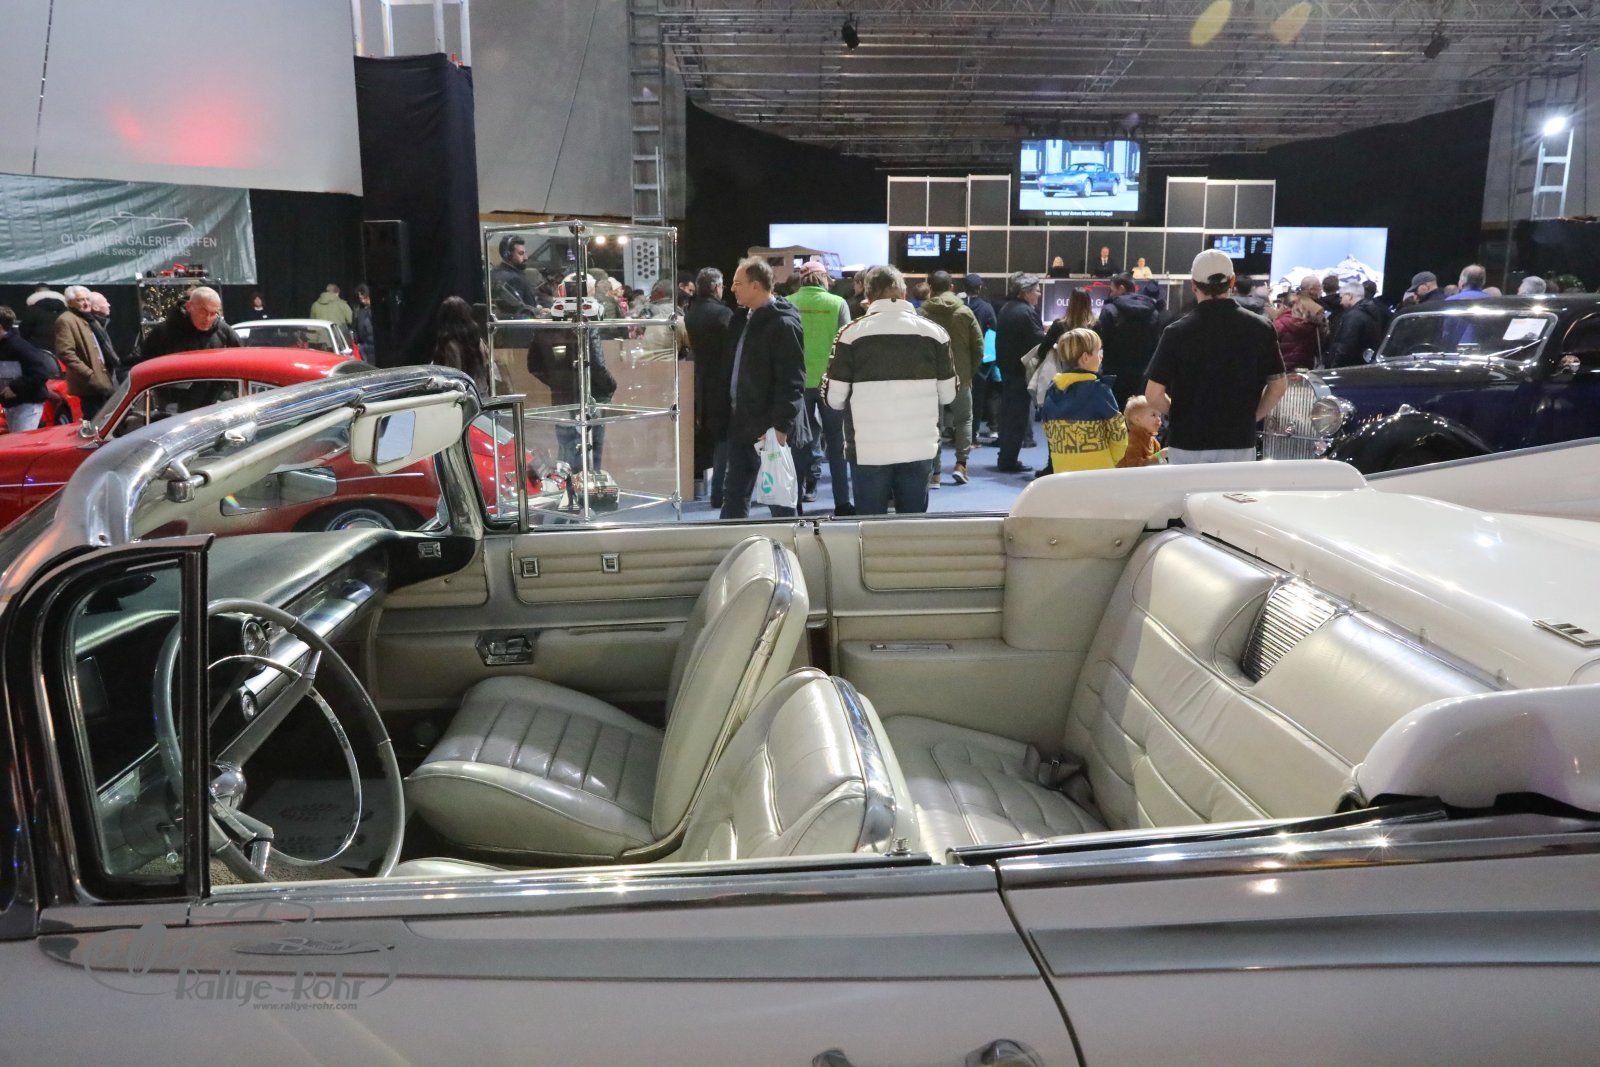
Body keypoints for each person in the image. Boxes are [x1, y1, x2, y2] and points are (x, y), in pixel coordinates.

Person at [825, 265, 956, 515]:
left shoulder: (850, 335)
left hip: (868, 450)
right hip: (919, 447)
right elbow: (948, 394)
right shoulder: (935, 334)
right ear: (904, 293)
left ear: (868, 296)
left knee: (869, 526)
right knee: (912, 525)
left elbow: (835, 399)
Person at [1144, 249, 1287, 465]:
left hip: (1187, 441)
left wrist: (1181, 415)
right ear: (1232, 281)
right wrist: (1250, 418)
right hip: (1239, 440)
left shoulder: (1176, 332)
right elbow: (1278, 386)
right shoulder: (1261, 327)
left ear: (1193, 285)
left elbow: (1153, 393)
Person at [720, 256, 809, 520]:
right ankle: (729, 542)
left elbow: (793, 380)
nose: (732, 289)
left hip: (770, 428)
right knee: (734, 495)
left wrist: (780, 427)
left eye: (737, 283)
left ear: (756, 286)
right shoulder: (742, 320)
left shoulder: (783, 323)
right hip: (742, 422)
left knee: (781, 501)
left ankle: (791, 543)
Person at [789, 260, 852, 510]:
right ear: (824, 278)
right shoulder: (838, 303)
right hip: (832, 384)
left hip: (799, 384)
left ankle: (795, 502)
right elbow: (847, 344)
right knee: (837, 444)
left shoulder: (789, 302)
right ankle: (842, 502)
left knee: (799, 443)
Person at [918, 270, 984, 487]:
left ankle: (934, 473)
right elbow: (978, 346)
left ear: (930, 288)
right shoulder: (964, 312)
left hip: (930, 376)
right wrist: (969, 371)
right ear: (952, 287)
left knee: (933, 424)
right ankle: (961, 465)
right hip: (960, 375)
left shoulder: (921, 313)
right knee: (964, 419)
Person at [1038, 327, 1127, 475]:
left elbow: (1048, 430)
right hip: (1098, 469)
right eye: (1098, 352)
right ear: (1085, 357)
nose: (1101, 357)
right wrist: (1113, 459)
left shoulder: (1052, 390)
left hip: (1062, 468)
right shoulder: (1099, 390)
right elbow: (1118, 430)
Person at [684, 267, 735, 507]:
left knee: (705, 436)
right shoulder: (723, 314)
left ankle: (701, 487)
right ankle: (719, 492)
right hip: (721, 382)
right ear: (716, 287)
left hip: (699, 379)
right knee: (723, 438)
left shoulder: (690, 312)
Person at [994, 272, 1047, 474]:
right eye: (1037, 290)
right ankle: (1008, 461)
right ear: (1026, 292)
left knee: (1008, 416)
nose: (1039, 294)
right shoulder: (1026, 312)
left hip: (1007, 368)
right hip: (1020, 372)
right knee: (1017, 418)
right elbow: (1038, 341)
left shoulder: (1007, 308)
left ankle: (1005, 457)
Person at [1095, 274, 1161, 408]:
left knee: (1114, 415)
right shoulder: (1153, 311)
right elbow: (1157, 345)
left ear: (1121, 288)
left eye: (1112, 290)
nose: (1110, 294)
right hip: (1142, 376)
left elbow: (1100, 342)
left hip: (1113, 375)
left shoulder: (1109, 310)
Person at [54, 286, 114, 420]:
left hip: (103, 380)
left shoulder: (89, 319)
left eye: (87, 299)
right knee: (97, 421)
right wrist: (89, 374)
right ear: (70, 303)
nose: (86, 303)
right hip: (90, 385)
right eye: (81, 300)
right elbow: (65, 353)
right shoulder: (66, 320)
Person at [136, 286, 241, 363]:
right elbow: (138, 365)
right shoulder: (162, 333)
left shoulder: (224, 332)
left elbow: (241, 362)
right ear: (189, 307)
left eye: (213, 313)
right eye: (203, 312)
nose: (208, 318)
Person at [0, 306, 58, 432]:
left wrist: (14, 387)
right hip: (12, 403)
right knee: (15, 440)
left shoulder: (19, 346)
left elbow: (41, 372)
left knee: (21, 440)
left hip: (28, 403)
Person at [433, 295, 489, 391]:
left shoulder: (450, 346)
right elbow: (487, 368)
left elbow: (453, 378)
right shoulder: (479, 341)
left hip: (462, 394)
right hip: (481, 391)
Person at [1326, 282, 1386, 367]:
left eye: (1341, 297)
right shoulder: (1370, 312)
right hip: (1362, 365)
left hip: (1348, 367)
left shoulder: (1353, 317)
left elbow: (1345, 346)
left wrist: (1333, 367)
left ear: (1350, 296)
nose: (1340, 302)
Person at [1273, 280, 1327, 372]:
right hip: (1306, 366)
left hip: (1283, 367)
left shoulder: (1278, 324)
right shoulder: (1312, 325)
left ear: (1285, 306)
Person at [491, 235, 542, 318]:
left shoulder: (493, 272)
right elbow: (519, 313)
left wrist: (537, 309)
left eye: (525, 253)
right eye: (521, 254)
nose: (526, 258)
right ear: (507, 255)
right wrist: (538, 314)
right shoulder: (514, 279)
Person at [1117, 395, 1163, 468]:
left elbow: (1159, 463)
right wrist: (1160, 455)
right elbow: (1134, 466)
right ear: (1137, 419)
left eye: (1159, 416)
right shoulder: (1131, 440)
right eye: (1153, 415)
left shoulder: (1154, 442)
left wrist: (1162, 457)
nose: (1158, 419)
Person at [20, 284, 67, 349]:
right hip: (62, 347)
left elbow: (24, 331)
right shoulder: (66, 311)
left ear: (35, 293)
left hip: (38, 349)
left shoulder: (32, 311)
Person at [352, 283, 377, 361]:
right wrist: (356, 340)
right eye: (360, 298)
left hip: (374, 344)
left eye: (365, 298)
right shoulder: (357, 309)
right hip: (363, 344)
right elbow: (354, 325)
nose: (362, 301)